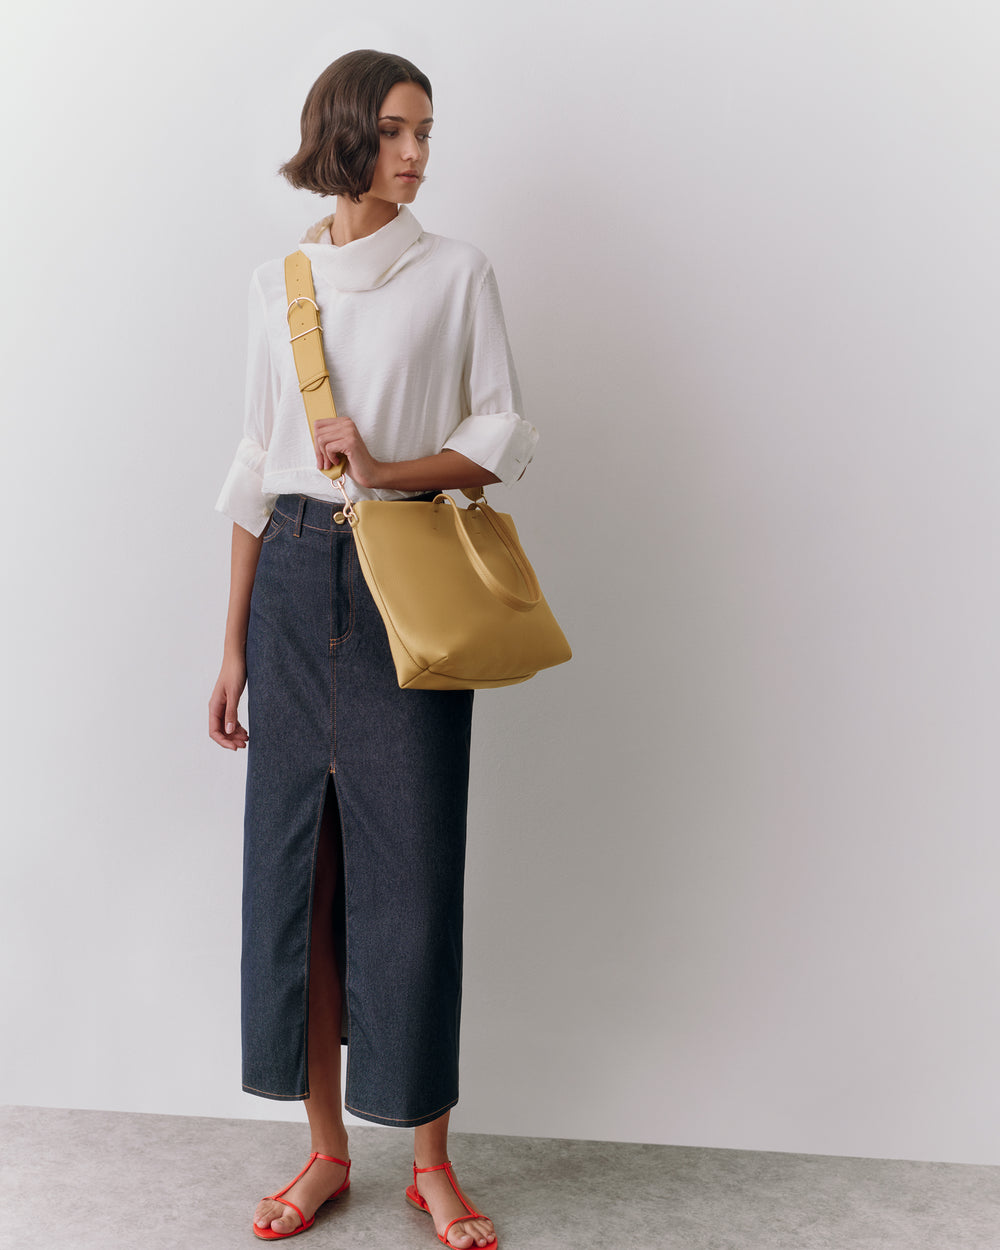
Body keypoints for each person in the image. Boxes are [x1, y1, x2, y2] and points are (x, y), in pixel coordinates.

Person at [209, 50, 536, 1247]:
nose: (416, 154)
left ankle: (429, 1159)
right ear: (342, 135)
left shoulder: (456, 271)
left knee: (413, 875)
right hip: (294, 584)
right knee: (301, 874)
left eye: (426, 132)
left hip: (407, 578)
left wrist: (388, 467)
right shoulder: (279, 281)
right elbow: (256, 464)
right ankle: (326, 1151)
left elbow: (502, 429)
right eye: (396, 131)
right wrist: (232, 644)